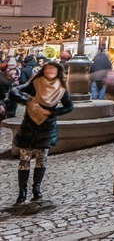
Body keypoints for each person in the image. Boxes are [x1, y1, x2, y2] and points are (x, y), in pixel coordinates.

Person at [10, 61, 73, 203]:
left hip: (46, 127)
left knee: (41, 159)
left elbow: (69, 107)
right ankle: (22, 190)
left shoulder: (61, 89)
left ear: (58, 72)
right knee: (24, 159)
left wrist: (51, 112)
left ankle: (36, 188)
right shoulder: (35, 83)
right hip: (29, 126)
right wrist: (28, 100)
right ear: (43, 70)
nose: (50, 71)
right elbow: (14, 92)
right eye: (47, 69)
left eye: (53, 69)